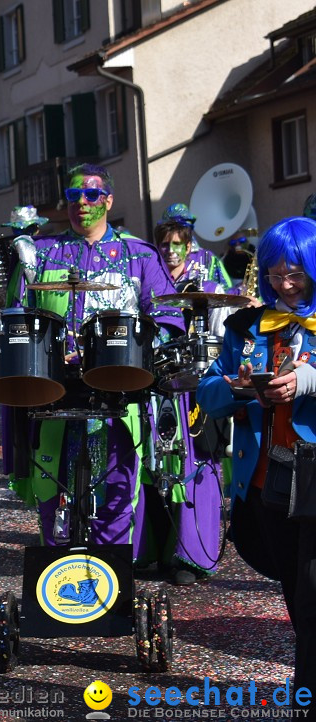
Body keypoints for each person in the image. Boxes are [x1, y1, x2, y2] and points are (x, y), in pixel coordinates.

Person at [8, 163, 185, 552]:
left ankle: (110, 588)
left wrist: (151, 351)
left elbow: (169, 316)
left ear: (108, 199)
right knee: (51, 496)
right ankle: (58, 587)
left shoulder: (138, 255)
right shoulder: (42, 255)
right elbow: (15, 320)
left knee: (119, 494)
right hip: (53, 394)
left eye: (91, 195)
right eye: (73, 196)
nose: (81, 204)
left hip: (118, 395)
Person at [198, 216, 316, 696]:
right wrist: (242, 391)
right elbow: (208, 391)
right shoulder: (245, 325)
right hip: (271, 481)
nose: (284, 285)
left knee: (312, 599)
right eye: (273, 274)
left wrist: (307, 381)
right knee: (296, 596)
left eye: (294, 273)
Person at [147, 214, 230, 585]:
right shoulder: (149, 281)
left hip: (195, 392)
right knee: (155, 467)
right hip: (156, 387)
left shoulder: (208, 285)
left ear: (189, 246)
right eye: (164, 244)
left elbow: (223, 339)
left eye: (177, 243)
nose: (170, 250)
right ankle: (153, 549)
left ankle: (193, 556)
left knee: (197, 468)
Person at [157, 203, 232, 289]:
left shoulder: (208, 257)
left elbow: (226, 290)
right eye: (173, 225)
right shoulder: (153, 262)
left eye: (185, 224)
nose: (171, 250)